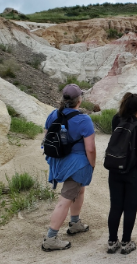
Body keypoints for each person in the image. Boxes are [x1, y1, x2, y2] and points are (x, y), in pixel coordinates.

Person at [41, 84, 96, 252]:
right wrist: (92, 164)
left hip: (58, 160)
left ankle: (75, 222)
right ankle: (50, 238)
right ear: (79, 100)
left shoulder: (53, 114)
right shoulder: (84, 119)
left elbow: (46, 136)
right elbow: (90, 149)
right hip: (76, 164)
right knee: (65, 199)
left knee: (79, 190)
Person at [106, 93, 137, 255]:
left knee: (115, 206)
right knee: (130, 208)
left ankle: (112, 242)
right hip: (135, 173)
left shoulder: (116, 120)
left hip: (115, 169)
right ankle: (126, 243)